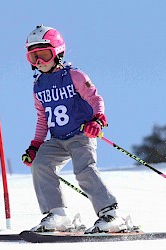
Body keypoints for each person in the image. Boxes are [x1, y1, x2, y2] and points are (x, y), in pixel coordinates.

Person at [22, 25, 134, 233]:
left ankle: (110, 215)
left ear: (58, 52)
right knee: (40, 164)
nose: (39, 62)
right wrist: (35, 145)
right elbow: (42, 118)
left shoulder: (75, 76)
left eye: (44, 55)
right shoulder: (38, 86)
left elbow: (95, 98)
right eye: (34, 57)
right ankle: (57, 215)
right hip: (57, 139)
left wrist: (98, 119)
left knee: (83, 170)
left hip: (81, 134)